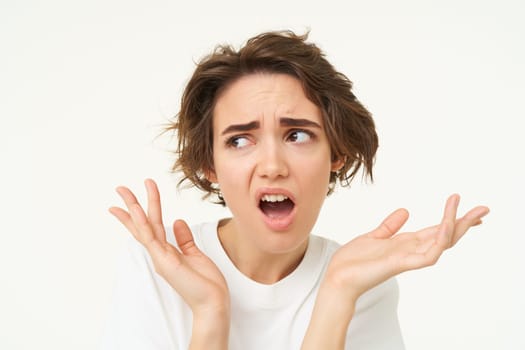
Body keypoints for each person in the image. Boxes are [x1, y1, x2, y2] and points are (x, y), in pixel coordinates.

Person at [102, 31, 489, 350]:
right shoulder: (158, 268)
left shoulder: (362, 281)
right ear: (210, 165)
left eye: (297, 134)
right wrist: (210, 314)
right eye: (239, 140)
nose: (272, 165)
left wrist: (337, 295)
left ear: (336, 152)